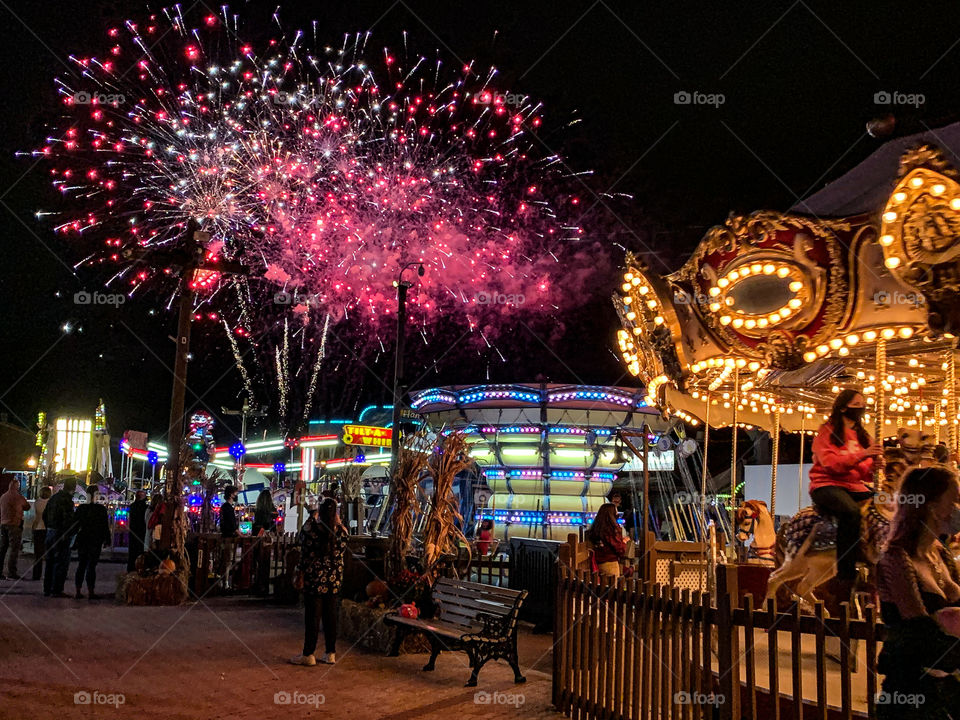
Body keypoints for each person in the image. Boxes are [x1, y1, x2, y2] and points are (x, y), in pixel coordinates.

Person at [877, 465, 960, 719]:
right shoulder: (895, 558)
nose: (957, 508)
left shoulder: (940, 553)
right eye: (954, 500)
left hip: (945, 684)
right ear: (931, 506)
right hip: (911, 688)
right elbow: (919, 629)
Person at [808, 388, 883, 600]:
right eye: (856, 404)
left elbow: (865, 474)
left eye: (863, 404)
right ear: (843, 407)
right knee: (851, 512)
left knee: (889, 505)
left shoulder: (863, 436)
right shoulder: (827, 432)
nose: (861, 408)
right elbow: (830, 464)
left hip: (855, 486)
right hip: (826, 484)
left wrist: (875, 465)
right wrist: (863, 455)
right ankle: (845, 573)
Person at [291, 498, 347, 666]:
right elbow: (343, 537)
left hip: (314, 580)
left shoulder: (311, 531)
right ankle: (330, 652)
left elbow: (302, 538)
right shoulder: (342, 533)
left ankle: (309, 653)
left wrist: (312, 516)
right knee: (331, 617)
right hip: (333, 582)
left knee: (312, 617)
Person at [73, 485, 111, 599]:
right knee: (91, 566)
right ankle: (91, 591)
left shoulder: (81, 508)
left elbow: (75, 524)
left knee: (81, 565)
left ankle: (78, 590)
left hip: (84, 538)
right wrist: (107, 539)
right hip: (95, 539)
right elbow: (105, 526)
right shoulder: (100, 509)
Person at [43, 477, 79, 597]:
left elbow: (45, 515)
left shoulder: (53, 498)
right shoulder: (67, 500)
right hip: (61, 534)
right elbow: (68, 520)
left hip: (50, 532)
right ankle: (57, 589)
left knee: (50, 561)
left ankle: (47, 588)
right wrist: (70, 532)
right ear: (73, 488)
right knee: (61, 562)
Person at [0, 478, 31, 580]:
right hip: (14, 524)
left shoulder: (3, 497)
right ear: (17, 486)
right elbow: (27, 506)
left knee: (3, 548)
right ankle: (11, 572)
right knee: (14, 549)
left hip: (3, 524)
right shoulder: (18, 497)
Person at [588, 503, 626, 577]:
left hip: (598, 563)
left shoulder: (597, 529)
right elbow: (620, 549)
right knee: (612, 587)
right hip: (610, 564)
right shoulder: (611, 530)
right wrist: (624, 542)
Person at [219, 486, 240, 588]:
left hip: (224, 536)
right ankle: (226, 583)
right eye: (236, 493)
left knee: (225, 560)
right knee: (228, 560)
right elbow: (232, 525)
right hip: (228, 537)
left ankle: (224, 581)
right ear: (231, 494)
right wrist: (240, 533)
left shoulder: (224, 507)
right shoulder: (228, 508)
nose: (236, 495)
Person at [30, 487, 52, 581]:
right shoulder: (50, 503)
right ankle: (49, 575)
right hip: (47, 529)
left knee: (38, 554)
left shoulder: (37, 502)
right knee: (50, 553)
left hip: (38, 529)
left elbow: (34, 517)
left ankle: (36, 575)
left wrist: (32, 528)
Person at [127, 490, 148, 571]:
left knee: (132, 553)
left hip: (133, 532)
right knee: (140, 552)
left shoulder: (132, 506)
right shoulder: (145, 508)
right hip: (142, 532)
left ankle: (130, 569)